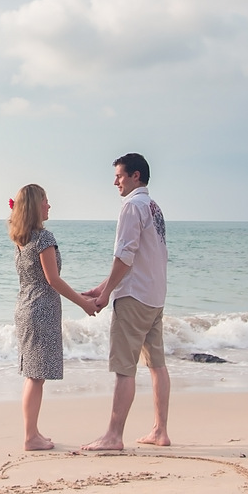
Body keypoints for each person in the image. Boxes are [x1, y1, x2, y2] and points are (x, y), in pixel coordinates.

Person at [81, 153, 170, 451]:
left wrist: (106, 296)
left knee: (124, 369)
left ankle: (113, 436)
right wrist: (101, 286)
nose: (115, 181)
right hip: (155, 296)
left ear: (135, 176)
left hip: (133, 297)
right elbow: (139, 258)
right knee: (157, 365)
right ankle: (160, 431)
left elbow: (125, 256)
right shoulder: (153, 206)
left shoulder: (132, 205)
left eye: (119, 176)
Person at [9, 184, 97, 451]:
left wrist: (81, 295)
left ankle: (32, 432)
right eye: (46, 201)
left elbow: (40, 279)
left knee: (33, 374)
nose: (49, 205)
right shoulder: (44, 239)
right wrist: (83, 303)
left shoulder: (22, 238)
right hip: (41, 309)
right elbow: (53, 280)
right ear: (36, 205)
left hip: (25, 307)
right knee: (35, 376)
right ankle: (30, 437)